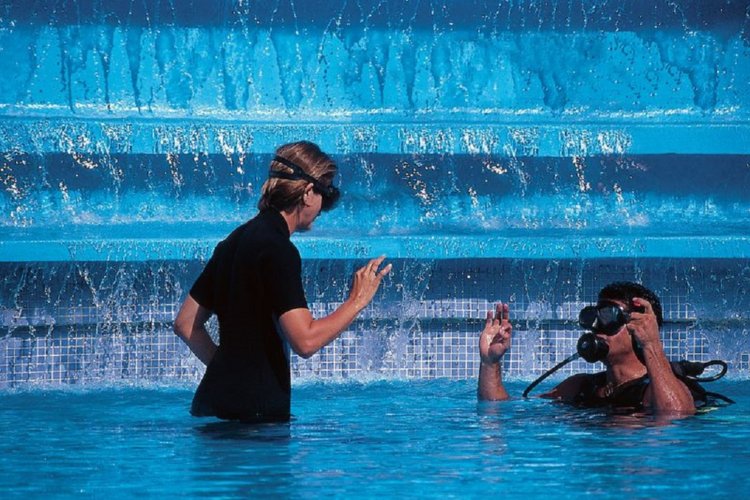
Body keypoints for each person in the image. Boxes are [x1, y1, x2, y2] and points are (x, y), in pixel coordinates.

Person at [174, 141, 392, 423]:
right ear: (308, 193)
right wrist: (356, 301)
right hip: (255, 420)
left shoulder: (233, 241)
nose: (323, 207)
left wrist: (229, 373)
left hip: (211, 406)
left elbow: (185, 323)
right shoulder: (278, 250)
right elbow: (305, 341)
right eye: (326, 193)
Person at [478, 282, 705, 415]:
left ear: (639, 326)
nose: (596, 327)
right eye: (594, 317)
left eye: (608, 316)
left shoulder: (659, 390)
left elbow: (676, 416)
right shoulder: (581, 386)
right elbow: (499, 409)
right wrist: (490, 362)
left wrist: (651, 345)